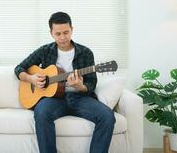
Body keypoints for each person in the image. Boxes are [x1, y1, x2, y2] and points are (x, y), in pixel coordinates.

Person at [14, 12, 115, 153]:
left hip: (80, 98)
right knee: (41, 112)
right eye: (58, 34)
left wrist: (80, 86)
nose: (63, 37)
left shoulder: (85, 53)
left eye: (66, 32)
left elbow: (91, 83)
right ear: (51, 33)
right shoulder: (44, 51)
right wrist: (31, 79)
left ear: (72, 29)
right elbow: (19, 68)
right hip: (53, 99)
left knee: (107, 116)